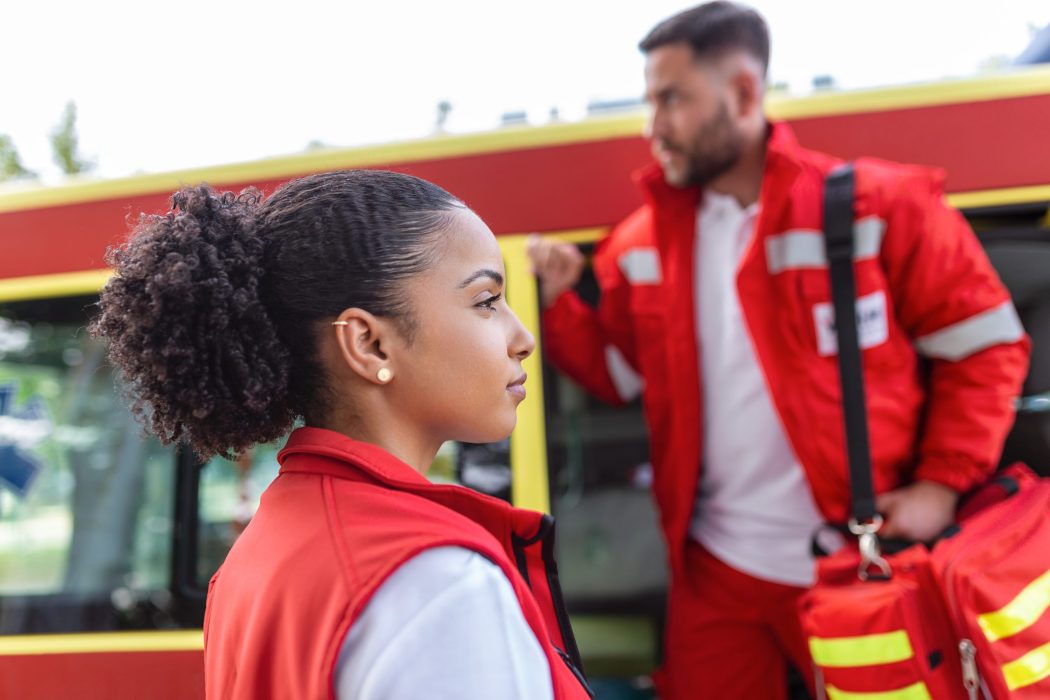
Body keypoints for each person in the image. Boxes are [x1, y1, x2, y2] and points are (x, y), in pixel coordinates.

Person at [527, 3, 1030, 698]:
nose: (652, 127)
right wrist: (555, 305)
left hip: (865, 561)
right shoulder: (640, 245)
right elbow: (618, 375)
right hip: (714, 576)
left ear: (741, 93)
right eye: (650, 101)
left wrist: (941, 486)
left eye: (671, 98)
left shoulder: (879, 208)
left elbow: (986, 347)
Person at [91, 170, 592, 699]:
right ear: (369, 344)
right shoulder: (440, 582)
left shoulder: (258, 553)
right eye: (487, 300)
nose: (523, 338)